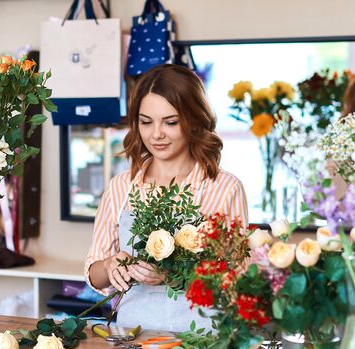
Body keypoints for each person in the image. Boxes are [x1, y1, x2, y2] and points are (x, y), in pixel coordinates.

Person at [84, 64, 248, 332]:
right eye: (146, 122)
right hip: (131, 341)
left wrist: (173, 277)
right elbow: (94, 274)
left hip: (201, 342)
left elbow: (236, 277)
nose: (156, 134)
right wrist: (110, 265)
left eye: (170, 122)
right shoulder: (120, 187)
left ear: (194, 120)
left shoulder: (225, 188)